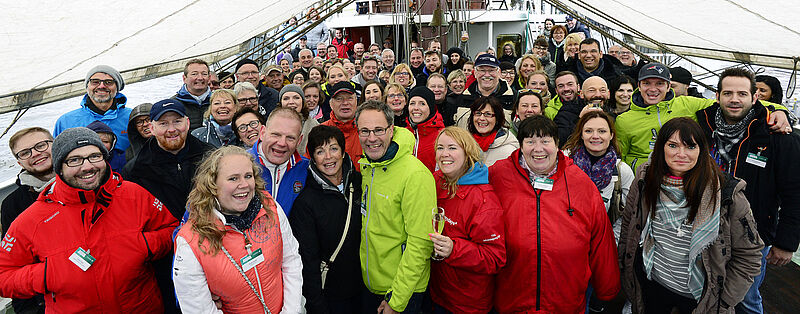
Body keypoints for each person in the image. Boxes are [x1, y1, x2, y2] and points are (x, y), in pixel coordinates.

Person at [0, 127, 178, 312]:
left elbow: (172, 229)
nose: (87, 167)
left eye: (94, 156)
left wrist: (144, 245)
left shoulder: (133, 194)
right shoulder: (33, 218)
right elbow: (4, 275)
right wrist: (49, 274)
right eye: (75, 160)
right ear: (59, 166)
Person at [618, 117, 764, 313]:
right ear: (660, 148)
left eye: (690, 147)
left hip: (701, 298)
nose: (681, 154)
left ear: (701, 151)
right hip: (652, 284)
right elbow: (629, 223)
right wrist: (626, 269)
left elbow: (749, 255)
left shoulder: (726, 195)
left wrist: (725, 299)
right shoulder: (646, 179)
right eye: (672, 145)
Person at [489, 115, 620, 313]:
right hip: (512, 297)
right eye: (530, 141)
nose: (538, 149)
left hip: (565, 299)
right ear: (520, 146)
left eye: (545, 141)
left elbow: (601, 238)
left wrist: (607, 288)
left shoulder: (579, 182)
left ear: (557, 144)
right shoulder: (498, 175)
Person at [695, 68, 800, 313]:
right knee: (703, 292)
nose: (734, 99)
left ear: (755, 98)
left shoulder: (779, 137)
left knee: (746, 299)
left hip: (753, 236)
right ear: (718, 96)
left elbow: (794, 193)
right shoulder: (701, 129)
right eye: (728, 93)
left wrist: (786, 242)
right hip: (703, 229)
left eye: (742, 93)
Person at [173, 146, 303, 313]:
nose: (244, 185)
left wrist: (290, 311)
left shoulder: (270, 207)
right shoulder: (191, 242)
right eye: (233, 178)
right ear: (212, 185)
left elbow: (291, 260)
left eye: (248, 176)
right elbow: (199, 309)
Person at [615, 63, 791, 171]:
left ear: (668, 86)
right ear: (639, 85)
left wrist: (779, 110)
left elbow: (728, 103)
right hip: (645, 180)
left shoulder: (686, 104)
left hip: (684, 178)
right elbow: (620, 158)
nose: (653, 89)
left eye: (659, 84)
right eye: (647, 83)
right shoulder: (624, 120)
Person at [355, 100, 435, 313]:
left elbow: (420, 243)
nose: (372, 138)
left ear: (391, 130)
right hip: (372, 285)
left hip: (402, 292)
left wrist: (396, 300)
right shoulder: (369, 167)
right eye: (364, 131)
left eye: (379, 130)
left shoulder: (415, 175)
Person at [429, 126, 506, 313]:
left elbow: (495, 258)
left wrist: (454, 249)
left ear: (467, 152)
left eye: (452, 148)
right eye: (440, 148)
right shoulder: (435, 180)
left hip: (467, 302)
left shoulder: (483, 199)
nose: (444, 154)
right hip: (436, 292)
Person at [290, 125, 364, 313]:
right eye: (320, 151)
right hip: (331, 295)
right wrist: (316, 304)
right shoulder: (306, 202)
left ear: (342, 151)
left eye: (333, 148)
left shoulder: (360, 182)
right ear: (312, 158)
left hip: (365, 289)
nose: (328, 157)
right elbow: (308, 259)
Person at [123, 98, 214, 220]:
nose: (171, 129)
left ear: (187, 123)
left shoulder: (212, 158)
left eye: (177, 121)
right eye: (163, 123)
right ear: (152, 128)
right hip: (164, 236)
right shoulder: (135, 171)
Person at [2, 127, 54, 314]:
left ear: (55, 144)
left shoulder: (86, 182)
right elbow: (14, 264)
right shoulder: (13, 205)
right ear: (19, 161)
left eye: (41, 145)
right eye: (25, 152)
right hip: (47, 297)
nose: (35, 154)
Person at [562, 111, 634, 239]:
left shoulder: (622, 170)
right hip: (567, 237)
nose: (595, 136)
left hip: (606, 239)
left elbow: (629, 213)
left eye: (602, 131)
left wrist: (611, 240)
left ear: (611, 135)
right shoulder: (565, 163)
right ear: (581, 135)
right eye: (589, 131)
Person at [54, 65, 132, 161]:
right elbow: (56, 157)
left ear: (117, 88)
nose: (102, 86)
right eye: (95, 82)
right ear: (87, 86)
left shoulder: (132, 117)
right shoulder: (65, 121)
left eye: (109, 82)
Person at [248, 107, 310, 214]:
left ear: (299, 141)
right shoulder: (242, 164)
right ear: (262, 133)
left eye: (290, 138)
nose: (282, 143)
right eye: (276, 134)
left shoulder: (306, 168)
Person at [449, 54, 515, 128]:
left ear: (499, 72)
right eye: (482, 70)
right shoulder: (462, 99)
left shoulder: (514, 99)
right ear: (475, 73)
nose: (487, 75)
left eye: (491, 70)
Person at [553, 76, 609, 146]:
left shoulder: (611, 114)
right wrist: (580, 119)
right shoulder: (567, 112)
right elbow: (558, 141)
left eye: (602, 90)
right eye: (592, 90)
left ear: (608, 94)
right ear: (582, 94)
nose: (598, 95)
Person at [468, 96, 519, 166]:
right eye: (478, 113)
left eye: (488, 114)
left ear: (497, 119)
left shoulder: (508, 151)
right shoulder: (467, 144)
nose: (482, 118)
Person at [322, 82, 363, 169]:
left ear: (356, 102)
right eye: (339, 99)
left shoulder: (369, 130)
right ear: (331, 104)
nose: (345, 103)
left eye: (349, 98)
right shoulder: (320, 132)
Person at [406, 86, 445, 173]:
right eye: (412, 103)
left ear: (430, 107)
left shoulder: (442, 136)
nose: (416, 108)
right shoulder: (403, 134)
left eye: (422, 103)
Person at [559, 38, 627, 85]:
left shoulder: (616, 76)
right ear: (579, 55)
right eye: (584, 52)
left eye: (593, 51)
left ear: (600, 54)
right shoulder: (568, 77)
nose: (588, 55)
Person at [171, 59, 213, 131]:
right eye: (194, 74)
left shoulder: (219, 101)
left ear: (209, 78)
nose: (200, 78)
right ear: (184, 79)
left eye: (204, 74)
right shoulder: (173, 104)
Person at [279, 84, 320, 155]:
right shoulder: (273, 124)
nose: (291, 102)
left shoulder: (314, 125)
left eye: (296, 98)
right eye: (286, 98)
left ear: (302, 102)